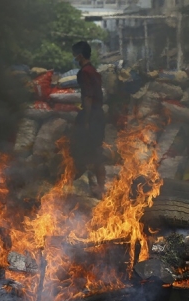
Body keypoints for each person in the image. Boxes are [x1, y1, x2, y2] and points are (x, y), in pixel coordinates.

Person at [70, 41, 106, 199]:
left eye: (75, 54)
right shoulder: (94, 71)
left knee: (80, 149)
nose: (74, 57)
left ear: (80, 55)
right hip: (99, 115)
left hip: (91, 115)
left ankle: (85, 185)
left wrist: (86, 119)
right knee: (96, 150)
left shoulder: (84, 72)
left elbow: (88, 96)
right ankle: (100, 186)